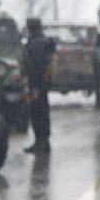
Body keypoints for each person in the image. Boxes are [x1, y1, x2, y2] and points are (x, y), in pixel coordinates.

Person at [22, 18, 57, 152]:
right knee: (42, 112)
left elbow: (36, 66)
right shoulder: (42, 41)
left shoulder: (36, 43)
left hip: (37, 84)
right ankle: (43, 142)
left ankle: (40, 142)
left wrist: (35, 87)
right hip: (42, 83)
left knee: (37, 113)